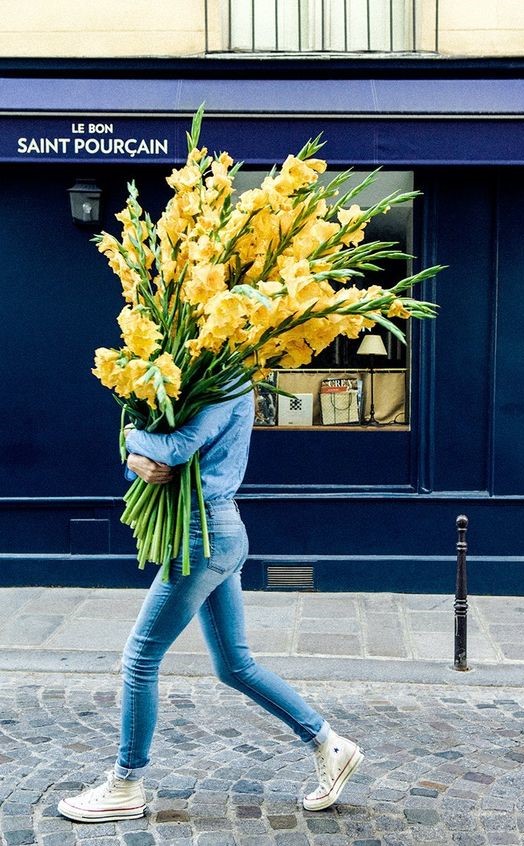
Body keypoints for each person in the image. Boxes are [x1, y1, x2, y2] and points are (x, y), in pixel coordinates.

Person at [57, 388, 363, 823]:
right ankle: (329, 744)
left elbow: (179, 448)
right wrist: (134, 460)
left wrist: (129, 439)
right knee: (234, 665)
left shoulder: (227, 382)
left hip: (205, 535)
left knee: (140, 659)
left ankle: (125, 785)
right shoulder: (200, 369)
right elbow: (156, 465)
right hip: (211, 531)